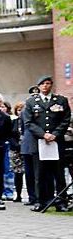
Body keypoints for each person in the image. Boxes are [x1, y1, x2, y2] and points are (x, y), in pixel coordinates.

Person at [23, 75, 71, 211]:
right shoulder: (31, 102)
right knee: (39, 174)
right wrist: (43, 134)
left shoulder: (61, 100)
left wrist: (55, 134)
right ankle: (40, 201)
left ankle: (61, 202)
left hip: (56, 142)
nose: (45, 86)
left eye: (48, 83)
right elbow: (28, 122)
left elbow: (65, 119)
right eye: (43, 84)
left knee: (59, 174)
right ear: (38, 86)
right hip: (39, 142)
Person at [10, 101, 27, 203]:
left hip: (27, 149)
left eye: (22, 110)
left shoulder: (28, 122)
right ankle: (18, 194)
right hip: (16, 150)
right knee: (18, 173)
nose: (21, 112)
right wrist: (16, 145)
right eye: (19, 110)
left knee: (29, 173)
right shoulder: (14, 122)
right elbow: (10, 135)